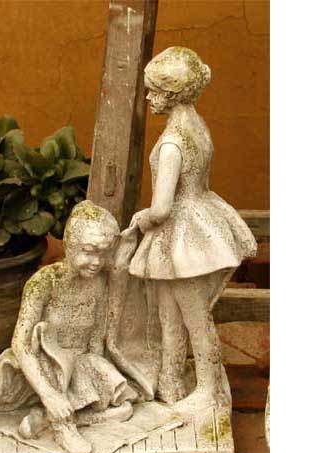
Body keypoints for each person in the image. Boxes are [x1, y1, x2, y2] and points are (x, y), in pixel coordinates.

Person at [128, 47, 257, 414]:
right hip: (199, 216)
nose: (149, 98)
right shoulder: (196, 125)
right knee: (170, 313)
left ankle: (208, 390)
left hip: (183, 234)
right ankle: (170, 379)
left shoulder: (172, 143)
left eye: (154, 91)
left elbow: (162, 208)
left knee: (194, 317)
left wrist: (141, 219)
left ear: (171, 94)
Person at [0, 201, 137, 453]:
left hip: (77, 364)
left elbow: (96, 341)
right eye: (89, 251)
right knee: (42, 334)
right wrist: (49, 395)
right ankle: (62, 425)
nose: (96, 262)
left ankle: (49, 419)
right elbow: (21, 344)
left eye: (104, 253)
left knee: (124, 406)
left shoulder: (99, 284)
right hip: (41, 364)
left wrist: (97, 375)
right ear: (69, 245)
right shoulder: (44, 282)